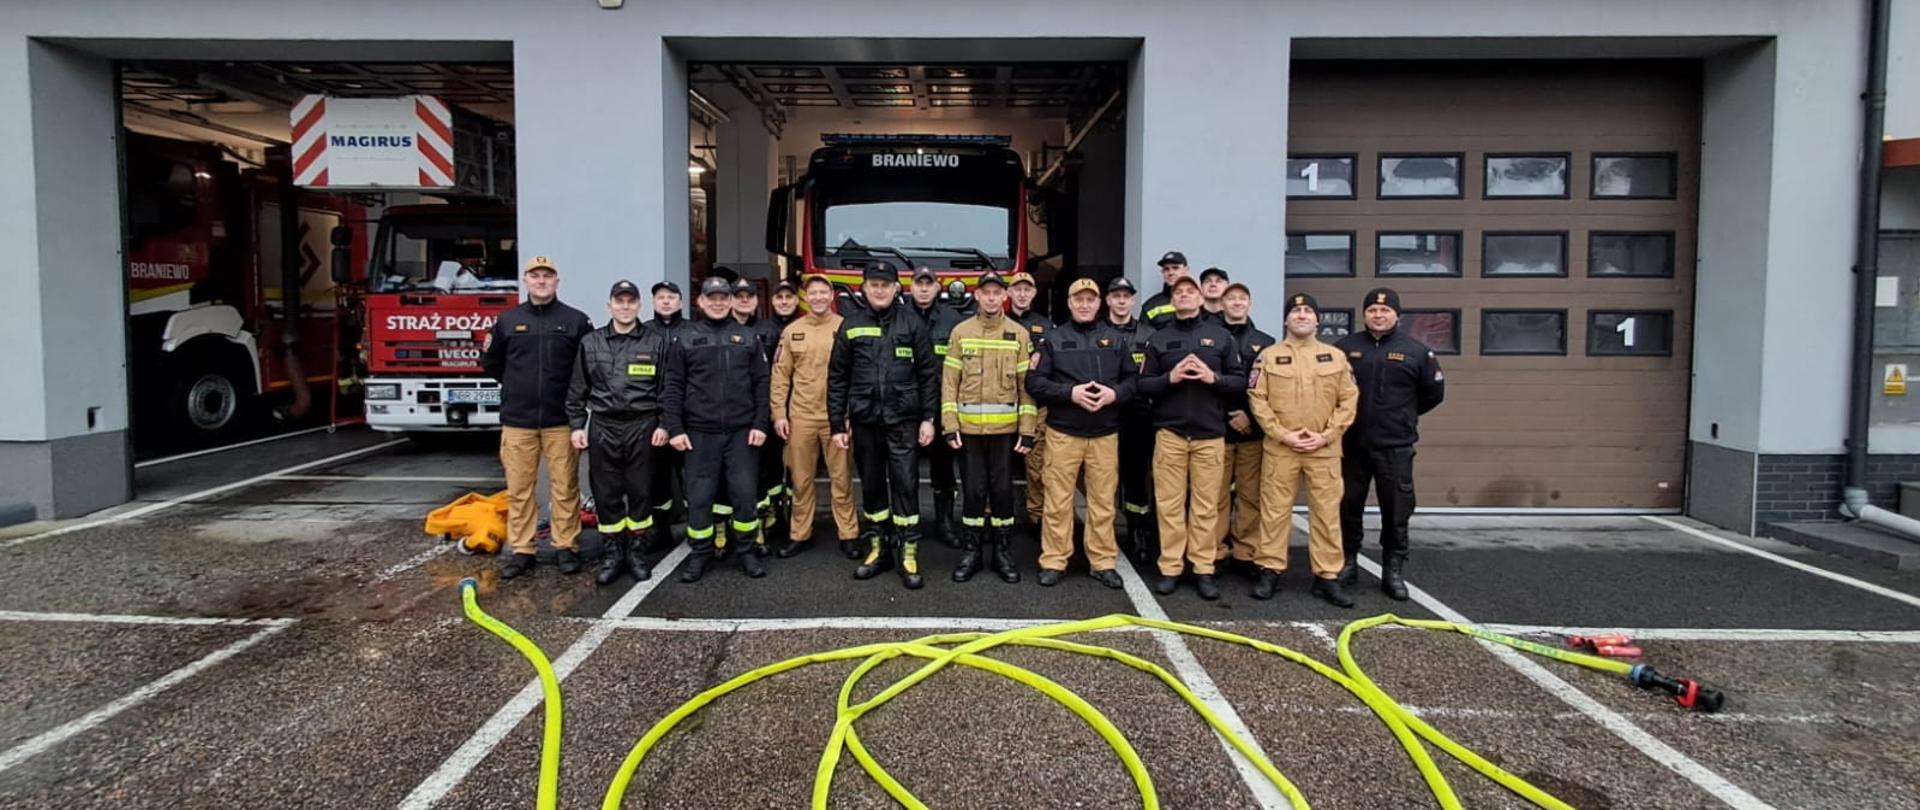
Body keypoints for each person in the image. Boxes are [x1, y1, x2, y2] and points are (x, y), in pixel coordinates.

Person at [480, 256, 594, 579]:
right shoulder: (507, 321)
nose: (542, 281)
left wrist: (575, 410)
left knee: (565, 486)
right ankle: (522, 550)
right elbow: (491, 363)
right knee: (519, 488)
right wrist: (518, 387)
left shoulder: (576, 321)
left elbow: (586, 368)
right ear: (526, 281)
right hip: (518, 420)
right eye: (536, 276)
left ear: (557, 281)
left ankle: (565, 547)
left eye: (548, 276)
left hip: (560, 420)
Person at [828, 262, 938, 590]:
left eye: (885, 285)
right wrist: (837, 424)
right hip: (865, 421)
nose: (879, 290)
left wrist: (929, 418)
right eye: (873, 284)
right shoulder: (851, 324)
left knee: (905, 485)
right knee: (873, 486)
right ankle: (878, 547)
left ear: (895, 288)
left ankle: (908, 550)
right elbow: (837, 378)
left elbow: (929, 375)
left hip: (903, 420)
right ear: (864, 288)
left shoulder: (912, 323)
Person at [1136, 275, 1246, 600]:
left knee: (1205, 506)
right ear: (1173, 300)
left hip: (1210, 435)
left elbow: (1240, 383)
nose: (1184, 295)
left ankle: (1203, 568)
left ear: (1200, 299)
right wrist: (1170, 377)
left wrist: (1213, 377)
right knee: (1169, 505)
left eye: (1190, 291)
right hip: (1170, 433)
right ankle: (1170, 567)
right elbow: (1143, 385)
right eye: (1178, 292)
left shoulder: (1221, 337)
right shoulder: (1158, 339)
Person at [1247, 294, 1359, 605]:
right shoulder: (1268, 357)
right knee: (1273, 512)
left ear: (1317, 320)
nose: (1302, 315)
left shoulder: (1335, 357)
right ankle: (1269, 570)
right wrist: (1283, 434)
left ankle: (1327, 576)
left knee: (1326, 515)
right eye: (1296, 311)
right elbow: (1258, 399)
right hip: (1281, 448)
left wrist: (1326, 435)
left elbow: (1348, 400)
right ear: (1286, 319)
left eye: (1308, 310)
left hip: (1323, 450)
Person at [1335, 287, 1446, 601]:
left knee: (1396, 509)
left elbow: (1432, 395)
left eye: (1385, 311)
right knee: (1347, 505)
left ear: (1397, 315)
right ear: (1365, 314)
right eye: (1372, 310)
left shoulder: (1417, 352)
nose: (1378, 315)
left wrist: (1401, 417)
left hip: (1394, 446)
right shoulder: (1345, 348)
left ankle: (1393, 569)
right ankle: (1347, 561)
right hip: (1352, 444)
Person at [1026, 277, 1137, 589]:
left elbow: (1133, 381)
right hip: (1063, 433)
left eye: (1090, 299)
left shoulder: (1116, 339)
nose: (1085, 305)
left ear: (1099, 303)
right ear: (1070, 303)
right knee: (1058, 500)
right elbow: (1034, 383)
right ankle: (1054, 560)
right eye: (1079, 299)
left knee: (1102, 502)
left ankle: (1102, 562)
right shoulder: (1052, 339)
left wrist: (1114, 395)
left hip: (1104, 434)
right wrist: (1070, 393)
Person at [661, 275, 772, 583]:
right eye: (713, 298)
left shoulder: (748, 338)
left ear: (732, 300)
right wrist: (675, 428)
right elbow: (673, 386)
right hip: (698, 434)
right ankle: (699, 554)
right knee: (699, 498)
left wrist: (760, 423)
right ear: (701, 302)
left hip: (741, 433)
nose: (719, 303)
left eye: (724, 297)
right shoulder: (684, 338)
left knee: (745, 495)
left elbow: (762, 385)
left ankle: (747, 552)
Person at [567, 279, 673, 584]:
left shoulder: (655, 342)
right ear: (609, 305)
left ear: (639, 305)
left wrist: (665, 424)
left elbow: (667, 389)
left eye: (630, 301)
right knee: (606, 493)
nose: (625, 307)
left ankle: (637, 553)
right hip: (603, 425)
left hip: (642, 425)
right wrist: (577, 425)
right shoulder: (591, 343)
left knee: (641, 493)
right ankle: (613, 554)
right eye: (619, 301)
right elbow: (577, 389)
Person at [942, 271, 1037, 584]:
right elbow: (949, 384)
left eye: (998, 292)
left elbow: (1027, 387)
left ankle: (1002, 551)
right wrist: (949, 425)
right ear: (978, 296)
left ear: (1003, 297)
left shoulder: (1019, 334)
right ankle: (971, 552)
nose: (992, 298)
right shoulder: (960, 332)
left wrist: (1027, 429)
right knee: (973, 491)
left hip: (1005, 433)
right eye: (987, 293)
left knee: (1002, 492)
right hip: (967, 432)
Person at [770, 275, 861, 558]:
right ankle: (800, 533)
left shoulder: (846, 328)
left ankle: (848, 534)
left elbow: (857, 375)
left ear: (832, 295)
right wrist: (779, 414)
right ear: (804, 297)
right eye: (813, 293)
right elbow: (780, 376)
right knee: (801, 480)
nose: (819, 297)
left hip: (836, 419)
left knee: (842, 479)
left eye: (824, 292)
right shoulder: (792, 331)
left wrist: (850, 413)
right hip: (801, 417)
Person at [1213, 282, 1274, 576]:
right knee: (1216, 495)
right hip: (1219, 431)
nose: (1237, 303)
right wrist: (1228, 415)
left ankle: (1246, 552)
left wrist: (1249, 415)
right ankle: (1215, 551)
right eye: (1231, 298)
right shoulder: (1211, 338)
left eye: (1242, 298)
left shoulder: (1266, 342)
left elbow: (1270, 387)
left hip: (1253, 432)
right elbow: (1207, 385)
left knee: (1251, 495)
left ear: (1249, 304)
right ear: (1222, 303)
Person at [906, 267, 967, 548]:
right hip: (907, 407)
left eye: (928, 284)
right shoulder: (899, 316)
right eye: (919, 284)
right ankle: (909, 522)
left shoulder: (952, 319)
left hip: (943, 406)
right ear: (911, 286)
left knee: (943, 470)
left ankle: (944, 523)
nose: (923, 289)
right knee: (905, 471)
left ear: (937, 287)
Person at [1105, 275, 1158, 563]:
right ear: (1108, 300)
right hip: (1107, 416)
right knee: (1105, 479)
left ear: (1133, 300)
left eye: (1126, 296)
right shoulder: (1098, 332)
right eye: (1116, 296)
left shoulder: (1149, 335)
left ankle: (1138, 532)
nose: (1121, 301)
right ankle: (1106, 534)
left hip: (1139, 418)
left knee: (1136, 479)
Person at [733, 278, 787, 554]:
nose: (744, 300)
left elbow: (776, 375)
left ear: (757, 300)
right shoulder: (721, 331)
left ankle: (764, 523)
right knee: (742, 476)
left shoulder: (768, 331)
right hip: (731, 416)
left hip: (762, 413)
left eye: (749, 296)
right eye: (738, 296)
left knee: (766, 470)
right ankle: (741, 525)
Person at [1005, 271, 1052, 525]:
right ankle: (996, 517)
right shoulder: (997, 323)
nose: (1022, 294)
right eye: (1017, 289)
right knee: (998, 467)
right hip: (1003, 403)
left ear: (1034, 293)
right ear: (1009, 293)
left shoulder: (1047, 327)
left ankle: (1037, 516)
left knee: (1036, 466)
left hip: (1035, 405)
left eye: (1027, 289)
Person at [646, 280, 688, 547]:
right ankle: (660, 531)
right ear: (652, 303)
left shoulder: (693, 331)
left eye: (671, 297)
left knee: (690, 479)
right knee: (656, 480)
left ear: (680, 302)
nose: (665, 301)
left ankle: (696, 530)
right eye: (660, 297)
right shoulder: (643, 333)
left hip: (687, 420)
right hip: (651, 421)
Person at [1139, 250, 1190, 328]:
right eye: (1166, 269)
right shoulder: (1150, 306)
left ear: (1186, 270)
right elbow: (1143, 336)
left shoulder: (1199, 300)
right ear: (1162, 272)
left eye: (1175, 268)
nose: (1170, 273)